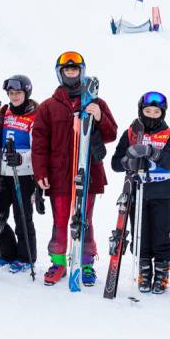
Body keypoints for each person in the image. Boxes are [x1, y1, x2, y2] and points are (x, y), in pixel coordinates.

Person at [31, 51, 117, 286]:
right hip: (58, 175)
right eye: (67, 70)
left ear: (82, 71)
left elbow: (111, 134)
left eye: (75, 69)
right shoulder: (48, 107)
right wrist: (41, 173)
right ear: (60, 73)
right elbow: (39, 142)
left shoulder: (95, 102)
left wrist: (99, 116)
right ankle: (58, 262)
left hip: (88, 172)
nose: (71, 73)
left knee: (84, 219)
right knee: (60, 220)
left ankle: (85, 263)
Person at [110, 91, 170, 294]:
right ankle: (145, 270)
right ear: (141, 111)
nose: (151, 115)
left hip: (161, 190)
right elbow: (115, 163)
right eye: (147, 111)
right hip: (137, 189)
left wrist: (151, 151)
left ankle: (161, 271)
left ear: (163, 113)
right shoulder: (132, 133)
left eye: (156, 112)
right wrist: (128, 160)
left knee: (160, 232)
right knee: (141, 232)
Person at [0, 74, 39, 274]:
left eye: (18, 93)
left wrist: (22, 158)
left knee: (22, 216)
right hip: (2, 173)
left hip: (24, 175)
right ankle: (7, 253)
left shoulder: (34, 115)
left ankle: (26, 257)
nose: (14, 96)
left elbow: (38, 149)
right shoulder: (4, 112)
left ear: (27, 93)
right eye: (11, 93)